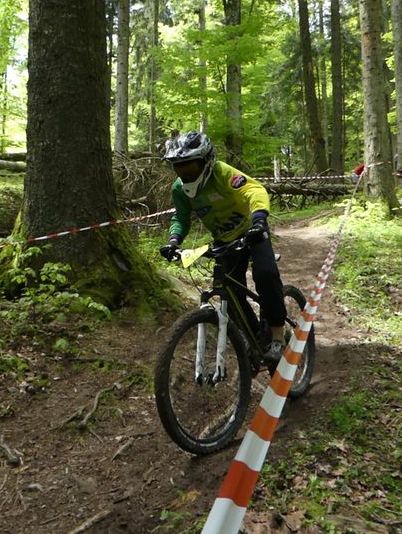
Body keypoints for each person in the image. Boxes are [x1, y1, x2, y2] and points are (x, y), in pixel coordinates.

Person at [159, 131, 287, 362]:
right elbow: (181, 217)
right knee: (230, 293)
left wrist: (259, 219)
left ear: (206, 161)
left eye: (190, 167)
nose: (185, 173)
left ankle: (278, 335)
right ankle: (256, 338)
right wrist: (174, 241)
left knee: (266, 275)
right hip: (224, 240)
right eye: (179, 167)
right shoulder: (179, 189)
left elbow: (254, 190)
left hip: (252, 231)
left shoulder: (222, 173)